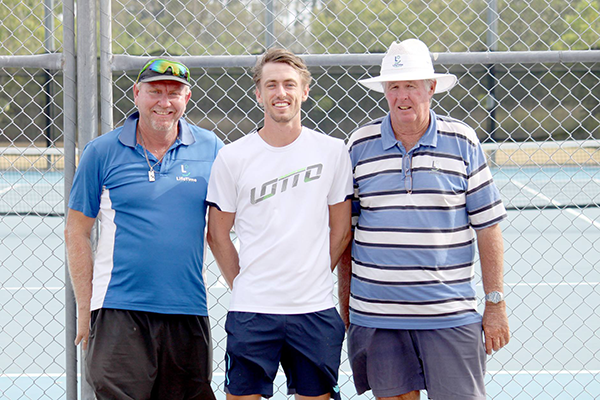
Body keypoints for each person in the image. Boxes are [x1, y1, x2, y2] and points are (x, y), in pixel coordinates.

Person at [338, 38, 510, 400]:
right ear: (385, 89)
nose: (403, 96)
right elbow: (345, 236)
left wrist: (495, 303)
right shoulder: (357, 145)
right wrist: (347, 309)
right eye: (394, 86)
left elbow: (488, 227)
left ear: (430, 88)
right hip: (377, 315)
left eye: (411, 85)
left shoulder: (463, 141)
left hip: (449, 312)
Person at [64, 58, 223, 399]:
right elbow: (76, 231)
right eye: (154, 91)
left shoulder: (212, 150)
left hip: (187, 309)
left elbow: (224, 229)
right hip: (118, 311)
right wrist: (85, 308)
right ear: (136, 93)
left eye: (173, 93)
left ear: (187, 98)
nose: (164, 102)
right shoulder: (101, 152)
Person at [206, 48, 353, 400]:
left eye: (289, 84)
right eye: (271, 85)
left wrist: (312, 272)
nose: (280, 93)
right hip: (252, 311)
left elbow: (342, 229)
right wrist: (243, 282)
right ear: (258, 93)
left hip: (314, 309)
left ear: (304, 91)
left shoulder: (332, 151)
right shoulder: (233, 157)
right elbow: (217, 233)